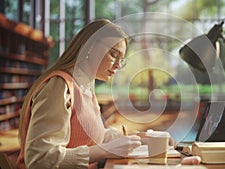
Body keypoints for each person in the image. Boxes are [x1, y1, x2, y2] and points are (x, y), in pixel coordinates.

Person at [16, 19, 141, 169]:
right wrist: (106, 150)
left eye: (121, 60)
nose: (117, 65)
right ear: (89, 47)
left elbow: (92, 136)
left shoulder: (86, 85)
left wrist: (139, 139)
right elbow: (41, 159)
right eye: (114, 54)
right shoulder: (59, 86)